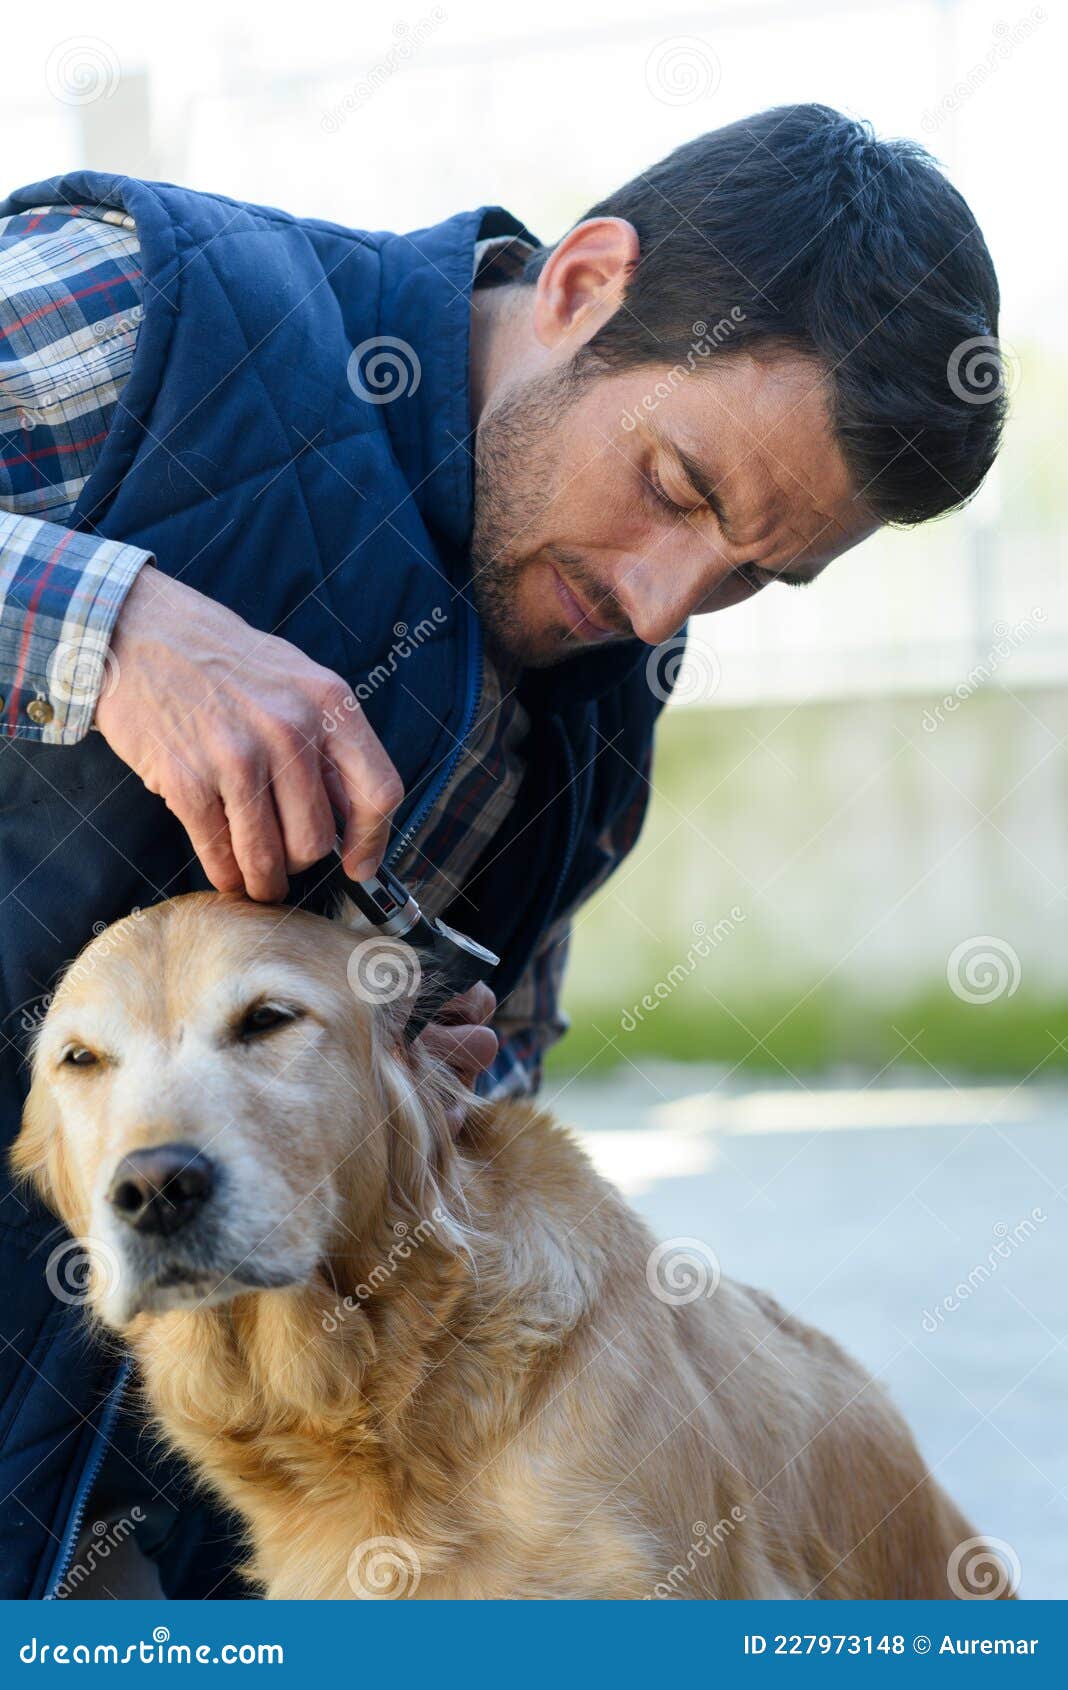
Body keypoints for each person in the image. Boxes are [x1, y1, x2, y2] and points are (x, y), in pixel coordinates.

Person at [0, 103, 1004, 1597]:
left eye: (753, 579)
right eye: (677, 487)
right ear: (585, 282)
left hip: (202, 1507)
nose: (664, 606)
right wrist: (109, 626)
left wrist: (438, 1074)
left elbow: (496, 1072)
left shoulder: (594, 709)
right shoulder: (141, 314)